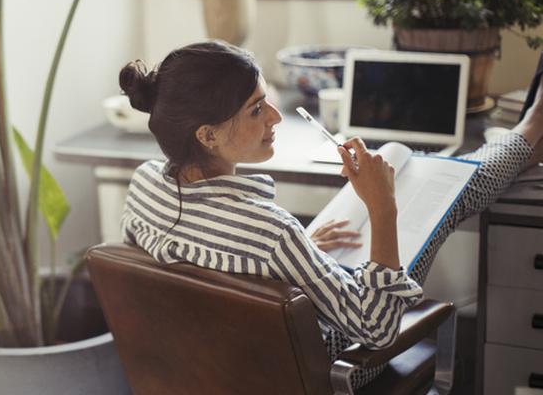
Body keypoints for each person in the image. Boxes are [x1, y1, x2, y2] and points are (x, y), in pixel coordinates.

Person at [118, 40, 543, 388]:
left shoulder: (143, 185)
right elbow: (377, 330)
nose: (276, 117)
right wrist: (382, 207)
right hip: (318, 372)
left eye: (267, 100)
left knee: (434, 194)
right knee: (442, 202)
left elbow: (191, 269)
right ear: (207, 134)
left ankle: (526, 138)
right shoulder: (273, 235)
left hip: (211, 370)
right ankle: (528, 133)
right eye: (255, 109)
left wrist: (280, 264)